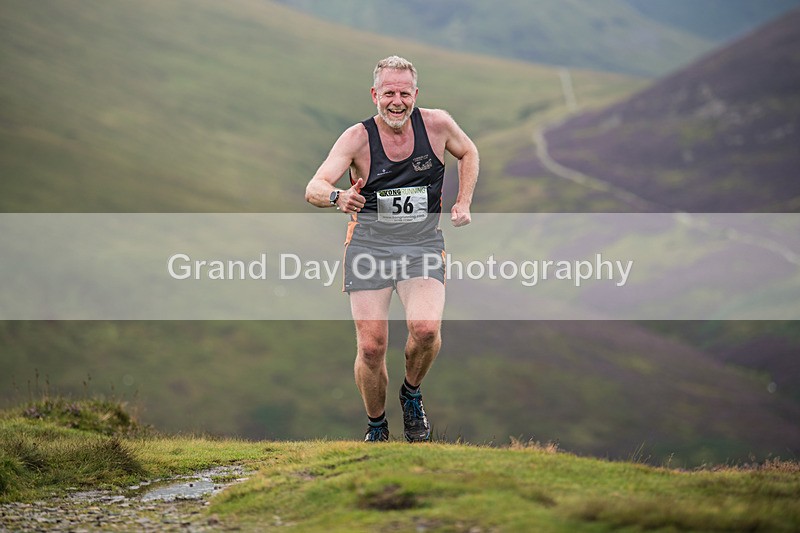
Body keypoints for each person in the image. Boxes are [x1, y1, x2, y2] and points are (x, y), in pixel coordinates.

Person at [305, 55, 479, 442]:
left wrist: (463, 201)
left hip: (421, 246)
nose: (396, 101)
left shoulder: (437, 125)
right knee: (371, 347)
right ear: (374, 95)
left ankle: (411, 394)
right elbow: (314, 187)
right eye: (388, 93)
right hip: (370, 248)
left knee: (425, 329)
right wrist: (337, 196)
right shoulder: (356, 138)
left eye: (404, 93)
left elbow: (469, 152)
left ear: (415, 94)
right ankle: (377, 425)